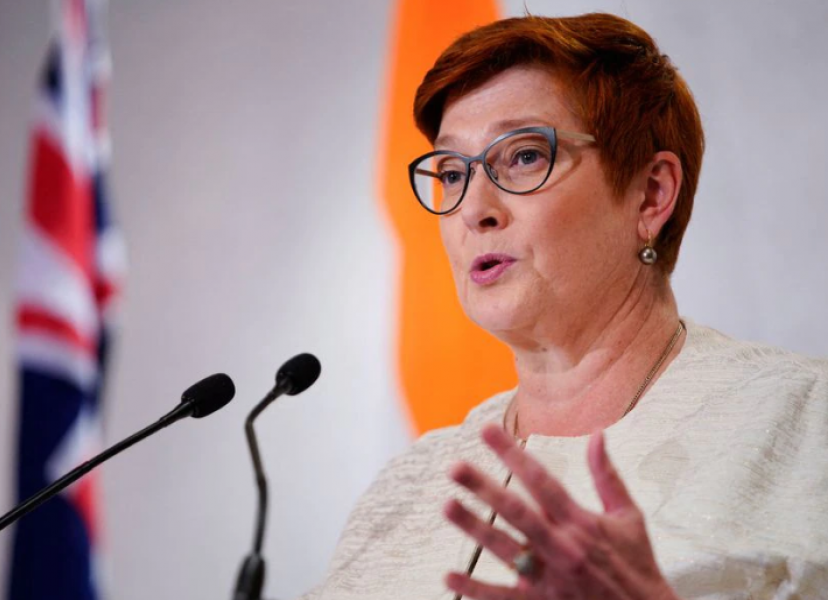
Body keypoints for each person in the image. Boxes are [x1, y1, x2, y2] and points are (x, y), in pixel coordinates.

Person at [301, 13, 828, 600]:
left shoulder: (804, 420)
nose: (474, 208)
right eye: (451, 172)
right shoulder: (407, 491)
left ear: (651, 194)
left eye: (524, 156)